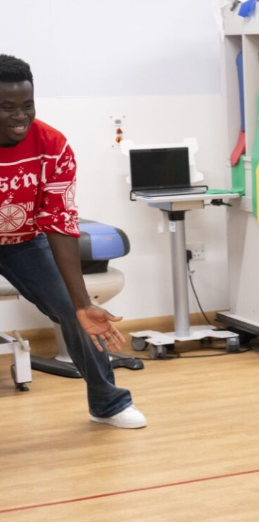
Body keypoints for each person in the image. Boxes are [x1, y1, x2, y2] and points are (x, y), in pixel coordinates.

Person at [0, 55, 145, 428]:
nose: (20, 116)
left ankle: (108, 403)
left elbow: (60, 222)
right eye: (6, 107)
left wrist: (81, 303)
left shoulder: (51, 144)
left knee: (75, 310)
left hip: (24, 241)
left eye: (27, 105)